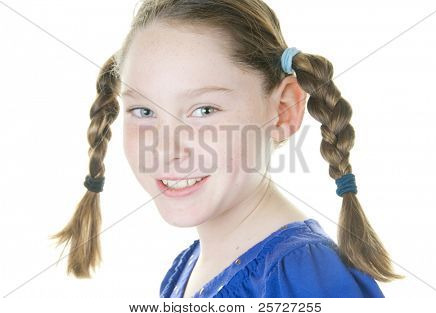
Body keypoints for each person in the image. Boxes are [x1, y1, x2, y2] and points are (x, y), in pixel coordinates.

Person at [50, 0, 404, 297]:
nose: (166, 149)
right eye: (143, 111)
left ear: (284, 110)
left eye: (204, 110)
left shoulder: (307, 279)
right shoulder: (185, 270)